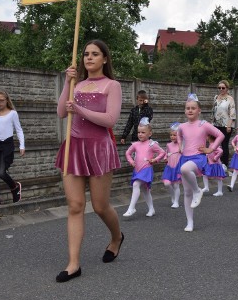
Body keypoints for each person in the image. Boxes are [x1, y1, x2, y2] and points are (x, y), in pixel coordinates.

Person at [54, 39, 124, 283]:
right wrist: (67, 82)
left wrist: (81, 111)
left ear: (105, 58)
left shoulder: (112, 85)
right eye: (86, 54)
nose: (89, 58)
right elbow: (62, 113)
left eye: (95, 54)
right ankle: (73, 264)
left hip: (98, 149)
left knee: (100, 206)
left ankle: (116, 238)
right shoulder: (77, 84)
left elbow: (110, 120)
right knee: (75, 206)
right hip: (73, 147)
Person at [177, 93, 224, 232]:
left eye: (193, 108)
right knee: (186, 192)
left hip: (198, 158)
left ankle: (198, 190)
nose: (190, 110)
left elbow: (220, 135)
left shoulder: (204, 124)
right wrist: (180, 146)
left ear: (199, 110)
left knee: (184, 169)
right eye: (187, 108)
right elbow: (179, 136)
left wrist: (211, 149)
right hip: (185, 157)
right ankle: (190, 222)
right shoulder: (182, 126)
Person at [0, 91, 25, 208]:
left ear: (7, 100)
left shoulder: (13, 114)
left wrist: (22, 146)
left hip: (7, 146)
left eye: (1, 100)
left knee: (1, 173)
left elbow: (19, 130)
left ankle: (15, 187)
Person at [123, 117, 166, 217]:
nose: (140, 134)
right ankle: (151, 209)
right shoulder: (136, 144)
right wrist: (131, 161)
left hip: (146, 169)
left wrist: (155, 160)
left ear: (149, 134)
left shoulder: (152, 144)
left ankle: (131, 208)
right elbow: (127, 153)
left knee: (136, 185)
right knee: (145, 190)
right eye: (139, 132)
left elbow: (162, 152)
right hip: (137, 169)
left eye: (143, 132)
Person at [211, 80, 236, 167]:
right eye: (219, 88)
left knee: (224, 144)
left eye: (223, 88)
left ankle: (225, 164)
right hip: (216, 124)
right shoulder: (216, 97)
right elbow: (213, 111)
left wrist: (229, 126)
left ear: (227, 88)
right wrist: (212, 123)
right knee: (215, 144)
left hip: (226, 125)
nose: (221, 89)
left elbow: (232, 113)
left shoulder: (230, 99)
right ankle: (215, 162)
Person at [162, 122, 182, 208]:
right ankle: (172, 195)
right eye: (171, 135)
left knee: (176, 185)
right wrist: (165, 157)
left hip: (177, 167)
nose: (172, 137)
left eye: (174, 135)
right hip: (169, 167)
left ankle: (176, 202)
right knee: (167, 184)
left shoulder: (181, 145)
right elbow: (167, 153)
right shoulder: (168, 145)